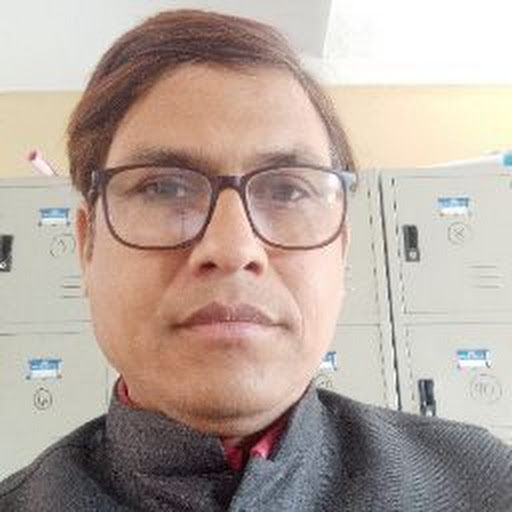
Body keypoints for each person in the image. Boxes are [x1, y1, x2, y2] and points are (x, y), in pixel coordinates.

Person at [0, 9, 511, 512]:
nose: (232, 249)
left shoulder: (486, 483)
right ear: (86, 247)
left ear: (341, 251)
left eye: (287, 191)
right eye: (164, 188)